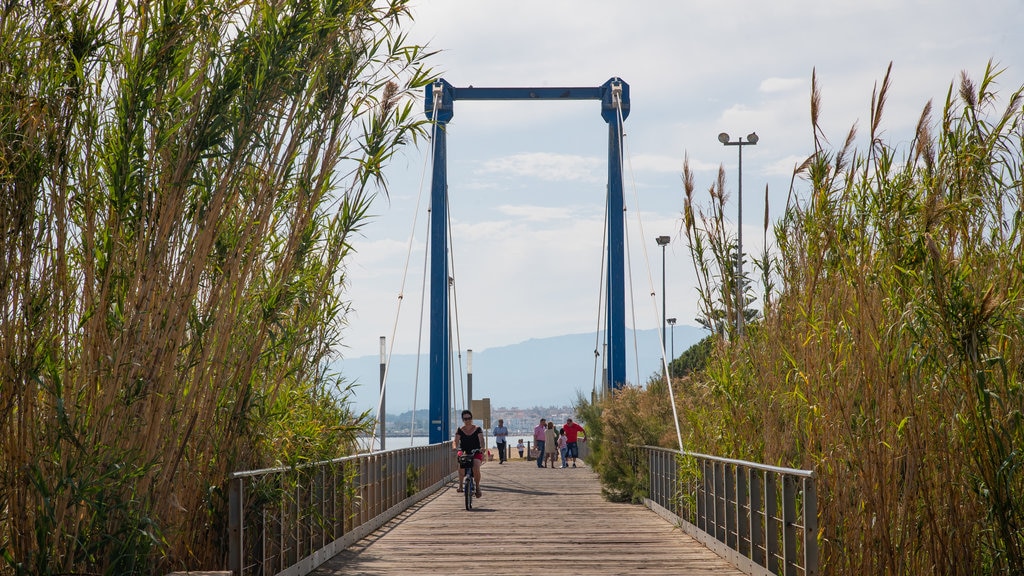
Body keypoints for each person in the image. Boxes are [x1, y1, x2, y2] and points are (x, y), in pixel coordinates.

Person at [453, 409, 484, 497]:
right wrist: (455, 447)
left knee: (476, 465)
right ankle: (460, 486)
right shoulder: (460, 430)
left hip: (476, 451)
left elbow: (481, 440)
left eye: (469, 418)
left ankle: (477, 487)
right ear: (463, 420)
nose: (467, 420)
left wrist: (482, 447)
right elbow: (455, 441)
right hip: (464, 451)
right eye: (465, 419)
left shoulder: (477, 429)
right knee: (461, 464)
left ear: (472, 419)